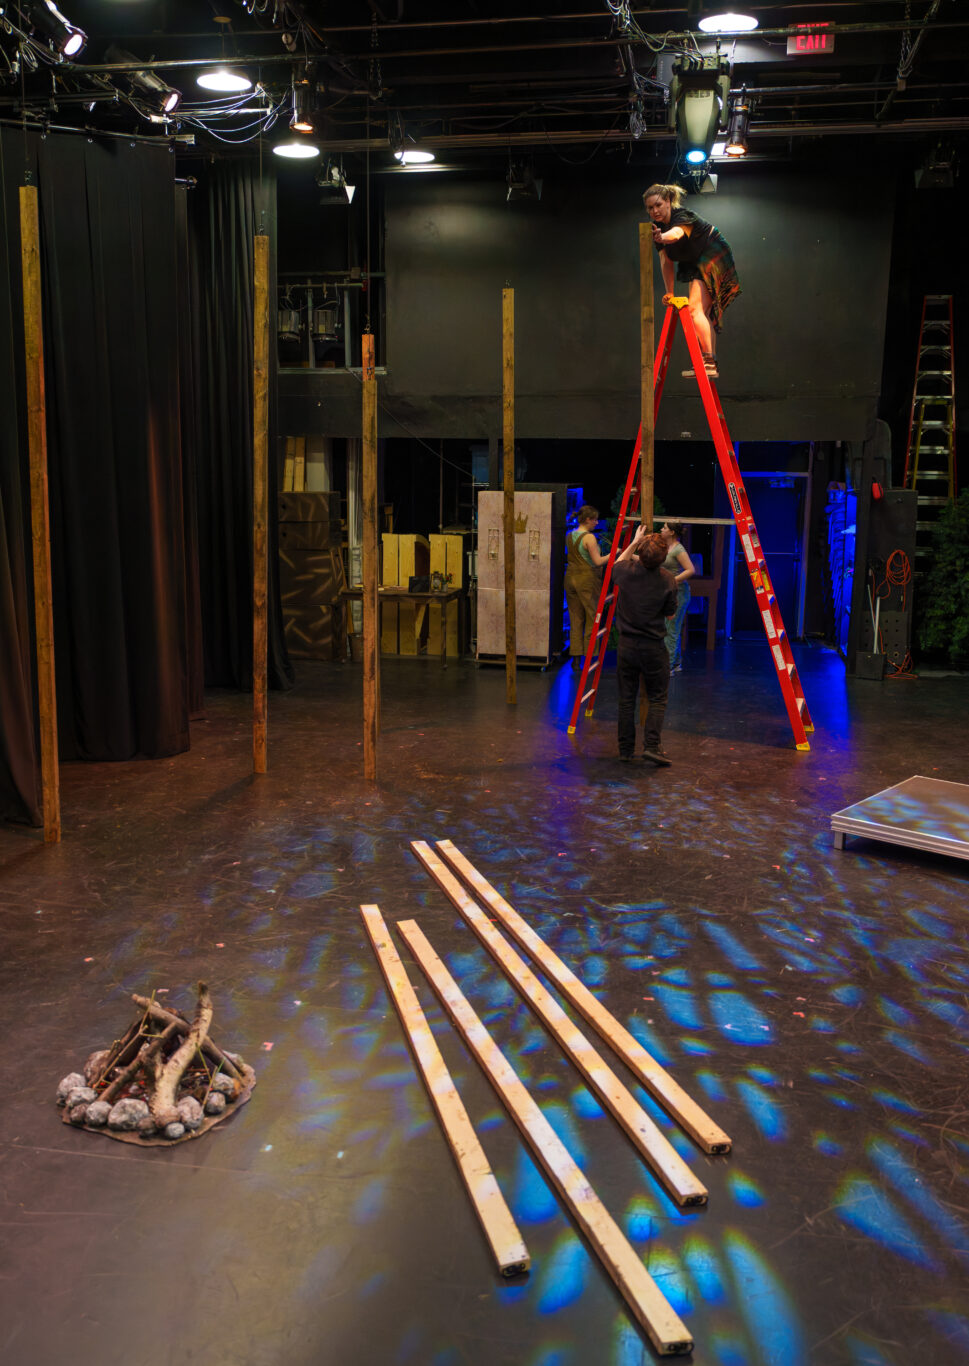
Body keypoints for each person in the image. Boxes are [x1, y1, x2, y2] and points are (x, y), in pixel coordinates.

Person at [643, 182, 740, 380]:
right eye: (650, 208)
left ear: (668, 201)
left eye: (658, 205)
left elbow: (676, 234)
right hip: (694, 262)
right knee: (701, 312)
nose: (655, 211)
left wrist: (662, 237)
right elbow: (666, 261)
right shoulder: (658, 229)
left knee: (695, 309)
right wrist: (669, 291)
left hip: (713, 253)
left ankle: (708, 362)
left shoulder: (682, 216)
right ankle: (710, 363)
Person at [612, 527, 677, 765]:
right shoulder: (667, 579)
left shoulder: (626, 572)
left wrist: (635, 541)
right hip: (653, 647)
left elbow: (618, 563)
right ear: (663, 557)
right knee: (657, 698)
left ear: (640, 553)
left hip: (627, 646)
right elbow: (670, 615)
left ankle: (625, 750)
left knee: (626, 699)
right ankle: (651, 746)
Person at [565, 504, 609, 669]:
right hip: (586, 580)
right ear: (588, 520)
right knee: (592, 617)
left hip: (570, 578)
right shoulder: (589, 537)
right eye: (595, 520)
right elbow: (597, 562)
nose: (597, 523)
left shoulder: (570, 535)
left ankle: (576, 659)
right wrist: (614, 553)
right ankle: (590, 656)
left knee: (575, 618)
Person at [659, 521, 696, 673]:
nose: (661, 529)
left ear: (672, 532)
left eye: (664, 528)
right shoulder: (665, 546)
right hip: (668, 593)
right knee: (670, 627)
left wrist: (673, 580)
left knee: (671, 629)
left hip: (678, 593)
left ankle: (668, 666)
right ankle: (676, 662)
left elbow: (690, 570)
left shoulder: (678, 549)